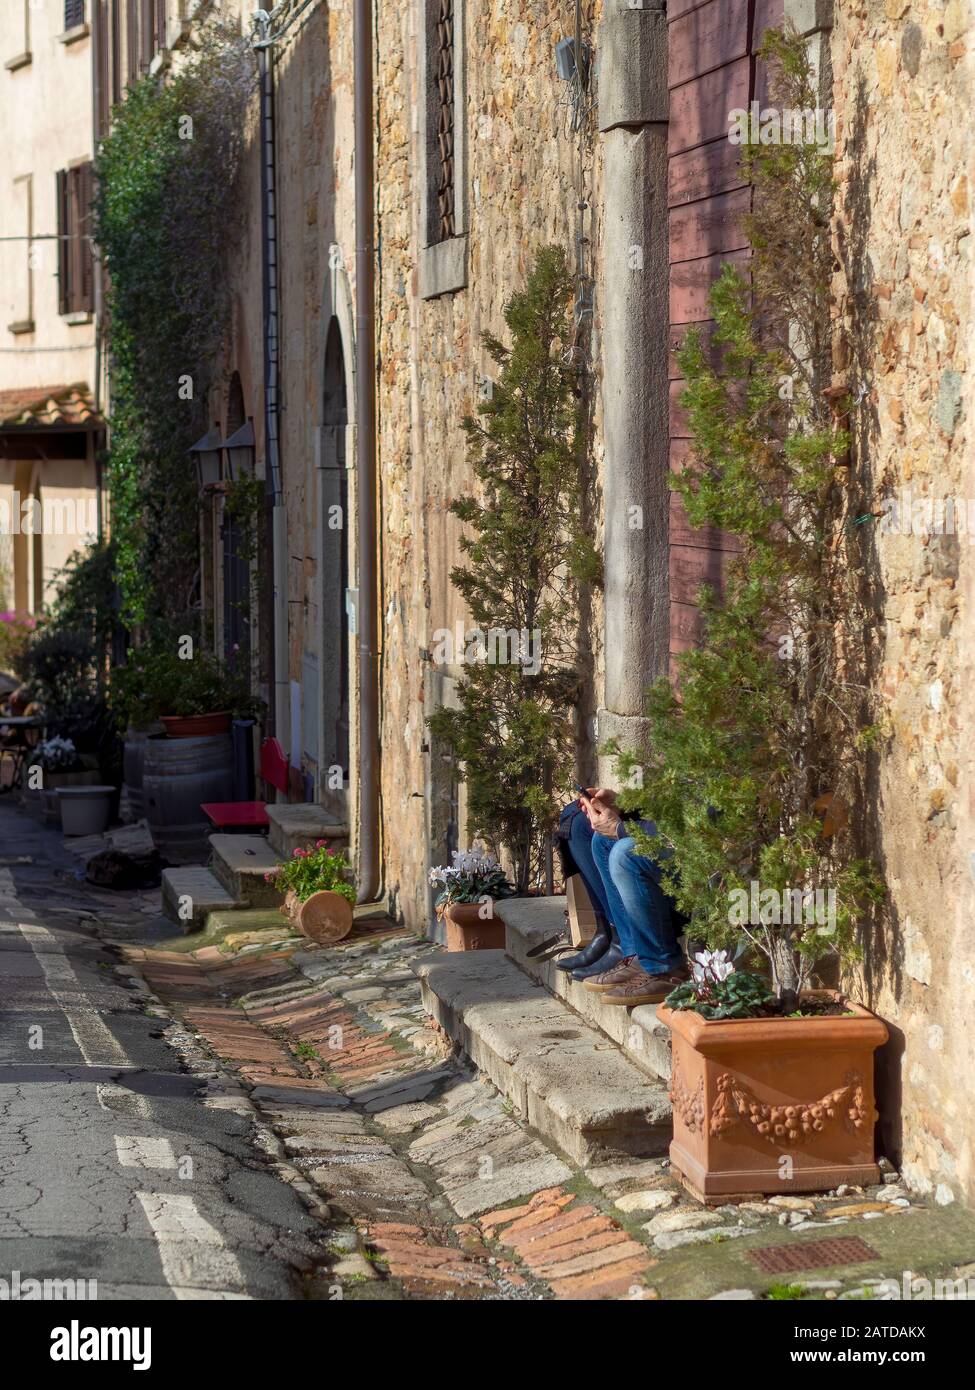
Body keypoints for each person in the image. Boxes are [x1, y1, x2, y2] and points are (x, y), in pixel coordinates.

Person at [555, 788, 688, 1005]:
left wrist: (621, 828)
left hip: (705, 873)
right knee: (595, 835)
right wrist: (624, 805)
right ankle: (633, 951)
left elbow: (697, 827)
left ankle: (665, 969)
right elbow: (672, 807)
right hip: (677, 850)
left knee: (626, 853)